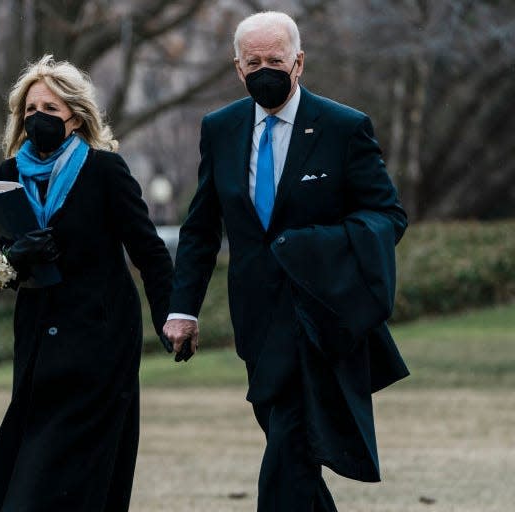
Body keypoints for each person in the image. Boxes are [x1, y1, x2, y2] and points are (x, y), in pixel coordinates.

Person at [162, 11, 410, 511]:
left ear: (298, 63)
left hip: (320, 319)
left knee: (289, 456)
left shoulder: (343, 128)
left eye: (274, 59)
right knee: (290, 453)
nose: (264, 69)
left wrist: (315, 247)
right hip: (257, 323)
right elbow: (201, 227)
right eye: (252, 62)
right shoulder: (221, 128)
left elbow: (387, 215)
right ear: (237, 68)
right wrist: (183, 309)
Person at [0, 55, 173, 512]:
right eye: (30, 111)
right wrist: (16, 256)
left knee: (71, 480)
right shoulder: (8, 176)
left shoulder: (105, 171)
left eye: (50, 110)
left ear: (75, 118)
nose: (39, 119)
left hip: (100, 343)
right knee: (27, 472)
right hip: (38, 346)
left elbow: (150, 252)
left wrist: (170, 316)